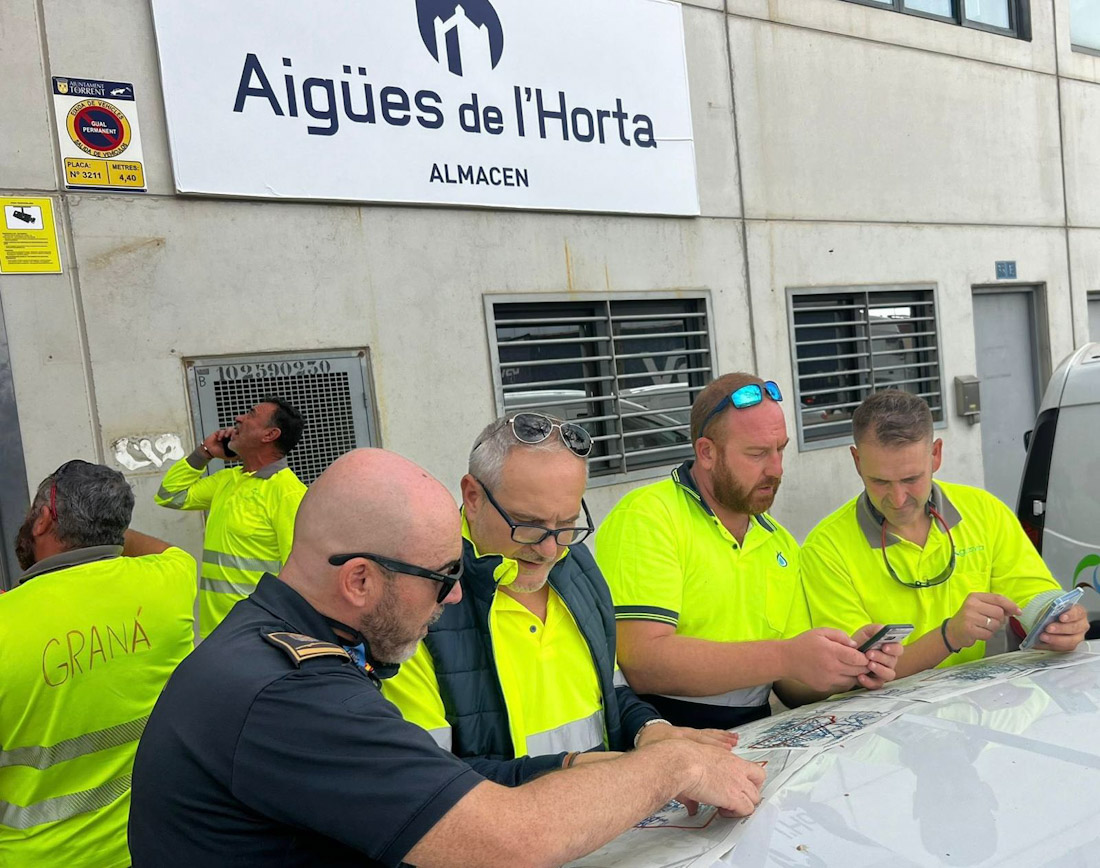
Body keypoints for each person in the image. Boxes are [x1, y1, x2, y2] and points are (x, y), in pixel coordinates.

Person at [128, 449, 766, 867]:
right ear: (360, 580)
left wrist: (587, 761)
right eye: (442, 577)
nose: (457, 595)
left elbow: (436, 792)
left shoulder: (273, 645)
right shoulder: (291, 695)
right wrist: (673, 765)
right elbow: (510, 842)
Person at [383, 414, 737, 785]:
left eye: (567, 524)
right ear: (473, 497)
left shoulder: (577, 564)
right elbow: (428, 781)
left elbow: (610, 690)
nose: (549, 550)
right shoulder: (418, 603)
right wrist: (570, 770)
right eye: (528, 525)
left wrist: (649, 730)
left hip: (604, 805)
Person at [596, 373, 902, 730]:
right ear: (707, 453)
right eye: (757, 453)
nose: (776, 469)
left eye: (780, 449)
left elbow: (789, 687)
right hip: (660, 734)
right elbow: (643, 662)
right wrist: (786, 657)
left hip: (754, 734)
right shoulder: (649, 515)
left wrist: (845, 668)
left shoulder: (779, 542)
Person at [800, 389, 1087, 677]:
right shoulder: (826, 548)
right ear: (857, 461)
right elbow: (859, 672)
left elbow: (1031, 592)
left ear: (936, 454)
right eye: (880, 482)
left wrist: (1060, 620)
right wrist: (949, 636)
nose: (898, 499)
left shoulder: (984, 511)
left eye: (911, 479)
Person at [0, 460, 196, 868]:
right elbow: (167, 550)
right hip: (152, 843)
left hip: (39, 858)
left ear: (43, 519)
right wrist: (103, 522)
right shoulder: (171, 580)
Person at [155, 397, 306, 637]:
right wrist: (204, 453)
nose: (239, 418)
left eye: (251, 414)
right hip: (215, 630)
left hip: (258, 634)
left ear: (270, 434)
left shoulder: (288, 494)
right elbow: (170, 495)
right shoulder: (228, 480)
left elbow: (300, 573)